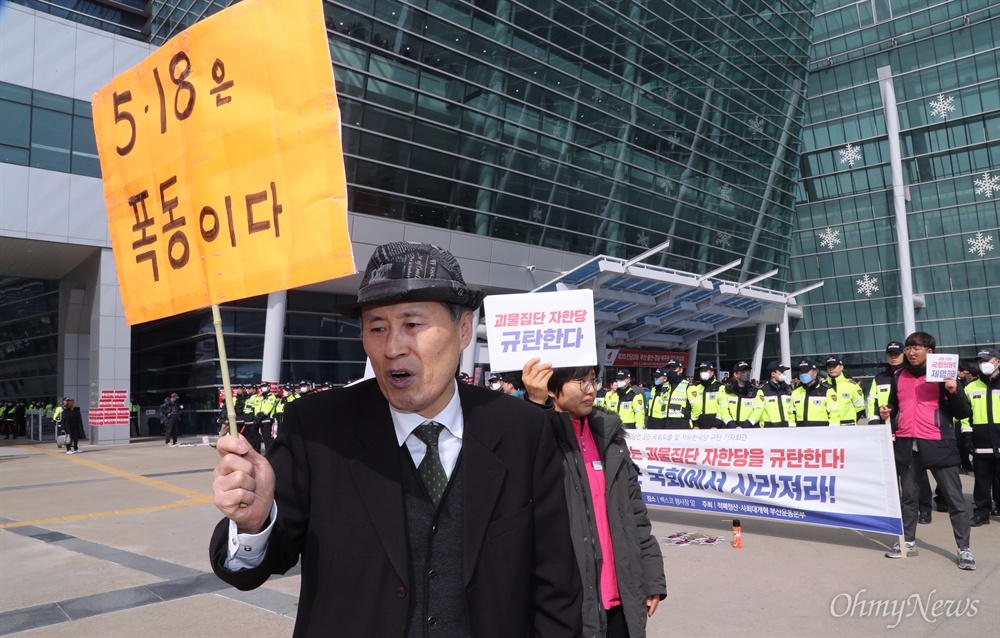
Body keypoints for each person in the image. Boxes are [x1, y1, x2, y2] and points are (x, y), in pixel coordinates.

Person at [209, 241, 582, 636]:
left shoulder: (525, 429)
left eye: (412, 324)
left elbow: (556, 590)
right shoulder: (318, 429)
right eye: (377, 328)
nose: (392, 348)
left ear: (464, 329)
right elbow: (257, 566)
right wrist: (254, 525)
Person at [523, 359, 666, 637]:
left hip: (622, 599)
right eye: (581, 382)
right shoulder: (541, 439)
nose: (590, 390)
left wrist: (652, 578)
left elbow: (636, 517)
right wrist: (535, 405)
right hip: (570, 606)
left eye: (593, 381)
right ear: (552, 389)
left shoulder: (611, 438)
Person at [880, 331, 975, 569]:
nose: (911, 352)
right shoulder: (898, 375)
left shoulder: (946, 376)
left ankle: (964, 550)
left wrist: (954, 391)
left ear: (929, 352)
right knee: (908, 498)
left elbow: (964, 412)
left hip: (938, 443)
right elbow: (894, 403)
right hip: (905, 442)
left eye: (917, 348)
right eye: (908, 348)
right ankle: (908, 542)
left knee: (955, 500)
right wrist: (887, 411)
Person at [966, 347, 1000, 527]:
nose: (983, 364)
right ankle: (981, 514)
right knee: (982, 481)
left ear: (998, 362)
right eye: (980, 361)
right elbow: (964, 416)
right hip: (981, 442)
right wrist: (966, 435)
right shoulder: (971, 387)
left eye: (987, 360)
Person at [790, 360, 839, 427]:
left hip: (821, 432)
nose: (803, 374)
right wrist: (791, 430)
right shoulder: (795, 392)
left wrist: (832, 431)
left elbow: (834, 413)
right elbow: (791, 414)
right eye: (801, 372)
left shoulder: (827, 390)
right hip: (801, 432)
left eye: (806, 371)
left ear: (815, 373)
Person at [647, 361, 690, 429]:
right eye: (669, 369)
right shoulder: (665, 386)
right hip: (665, 421)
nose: (671, 371)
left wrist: (694, 422)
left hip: (681, 422)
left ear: (681, 370)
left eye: (674, 368)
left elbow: (695, 406)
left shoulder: (688, 385)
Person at [825, 356, 864, 424]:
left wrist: (851, 421)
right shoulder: (821, 386)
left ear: (841, 367)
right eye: (829, 367)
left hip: (848, 426)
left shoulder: (852, 386)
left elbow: (860, 408)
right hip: (828, 427)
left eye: (834, 366)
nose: (831, 369)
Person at [687, 362, 725, 429]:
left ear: (712, 372)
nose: (703, 373)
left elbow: (722, 407)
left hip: (715, 425)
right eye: (701, 371)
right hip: (698, 425)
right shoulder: (694, 387)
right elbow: (691, 407)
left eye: (706, 370)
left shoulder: (719, 387)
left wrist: (716, 425)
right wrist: (695, 424)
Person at [760, 361, 795, 427]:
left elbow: (792, 411)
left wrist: (792, 425)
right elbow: (759, 411)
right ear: (773, 374)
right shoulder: (763, 390)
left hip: (787, 429)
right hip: (770, 429)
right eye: (781, 372)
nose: (783, 374)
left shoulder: (788, 389)